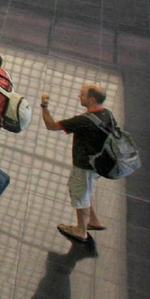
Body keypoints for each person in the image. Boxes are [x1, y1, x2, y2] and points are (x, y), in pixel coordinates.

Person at [43, 84, 115, 244]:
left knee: (80, 194)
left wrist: (44, 106)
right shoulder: (107, 114)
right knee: (87, 190)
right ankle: (94, 220)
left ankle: (80, 230)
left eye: (82, 95)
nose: (78, 96)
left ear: (92, 99)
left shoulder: (83, 121)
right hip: (99, 163)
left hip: (84, 165)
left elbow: (51, 125)